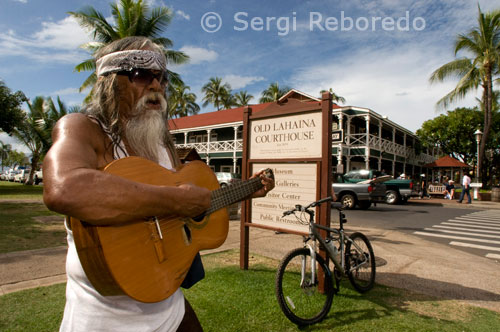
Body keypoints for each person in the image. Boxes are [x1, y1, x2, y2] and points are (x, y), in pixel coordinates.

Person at [43, 36, 275, 332]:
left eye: (162, 77)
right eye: (141, 75)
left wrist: (244, 192)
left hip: (170, 306)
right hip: (104, 320)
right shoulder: (82, 128)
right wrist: (177, 200)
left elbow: (192, 207)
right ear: (110, 81)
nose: (156, 86)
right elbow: (64, 188)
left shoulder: (163, 145)